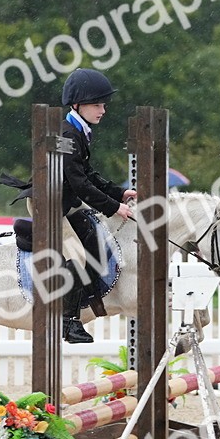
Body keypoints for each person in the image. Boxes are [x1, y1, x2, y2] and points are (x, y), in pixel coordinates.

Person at [56, 68, 136, 344]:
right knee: (79, 256)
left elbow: (87, 174)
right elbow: (79, 183)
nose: (103, 110)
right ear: (78, 105)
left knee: (97, 237)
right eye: (97, 105)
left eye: (103, 105)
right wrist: (114, 207)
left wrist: (119, 192)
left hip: (67, 201)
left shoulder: (79, 130)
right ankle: (68, 321)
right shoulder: (66, 135)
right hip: (51, 205)